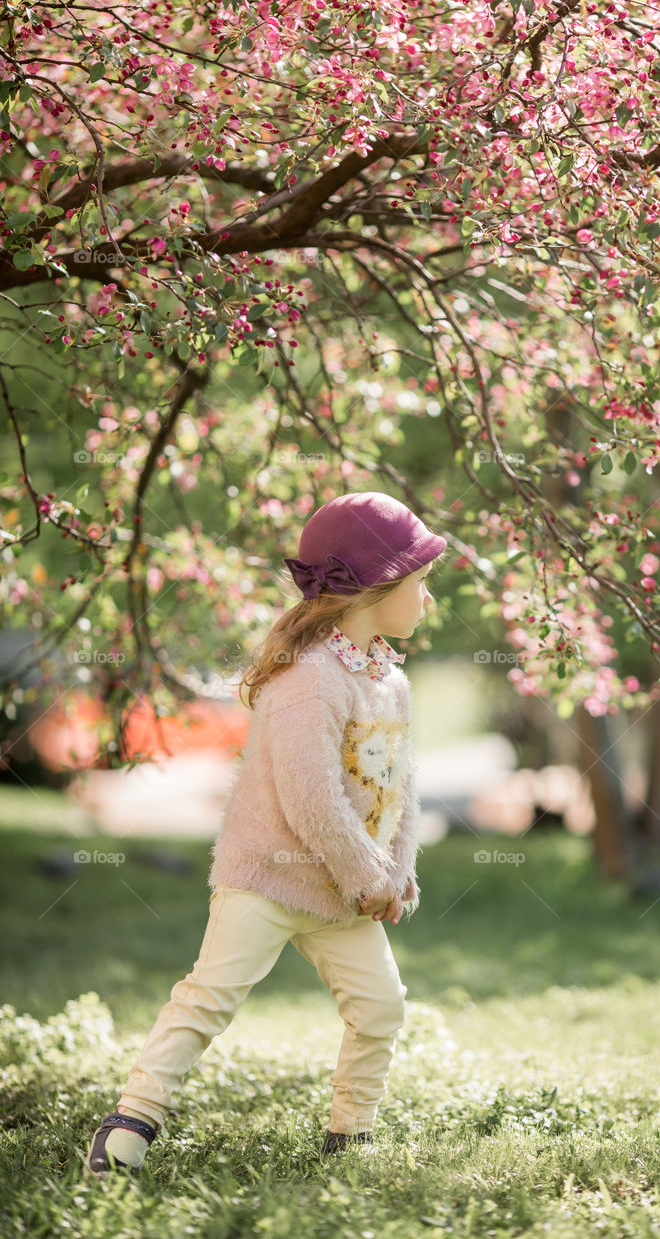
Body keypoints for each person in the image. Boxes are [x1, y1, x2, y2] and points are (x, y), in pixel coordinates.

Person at [84, 491, 446, 1176]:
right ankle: (130, 1122)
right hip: (268, 877)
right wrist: (369, 876)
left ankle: (351, 1137)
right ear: (373, 587)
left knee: (381, 1008)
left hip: (343, 890)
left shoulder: (388, 680)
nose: (428, 600)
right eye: (420, 582)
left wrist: (396, 874)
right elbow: (309, 800)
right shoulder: (309, 678)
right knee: (208, 998)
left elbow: (399, 787)